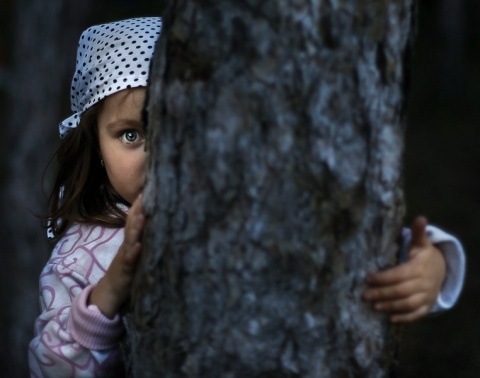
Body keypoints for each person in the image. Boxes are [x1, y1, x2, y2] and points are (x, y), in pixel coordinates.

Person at [28, 17, 465, 377]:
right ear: (94, 148)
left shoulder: (242, 199)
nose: (157, 155)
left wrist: (430, 267)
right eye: (130, 135)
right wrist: (108, 292)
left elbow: (335, 234)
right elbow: (50, 368)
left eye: (176, 128)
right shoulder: (81, 255)